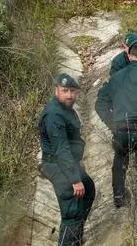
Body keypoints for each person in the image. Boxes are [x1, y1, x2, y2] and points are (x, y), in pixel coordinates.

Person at [95, 33, 137, 245]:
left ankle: (118, 196)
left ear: (129, 54)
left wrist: (112, 123)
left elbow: (100, 103)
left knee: (120, 155)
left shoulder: (116, 77)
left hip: (121, 129)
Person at [39, 73, 96, 246]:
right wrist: (74, 179)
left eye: (72, 91)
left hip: (67, 163)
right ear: (57, 91)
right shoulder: (54, 115)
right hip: (57, 165)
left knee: (88, 189)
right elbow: (61, 149)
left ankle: (75, 238)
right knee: (72, 211)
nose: (70, 95)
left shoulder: (66, 109)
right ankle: (69, 240)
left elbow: (72, 142)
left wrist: (77, 163)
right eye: (65, 91)